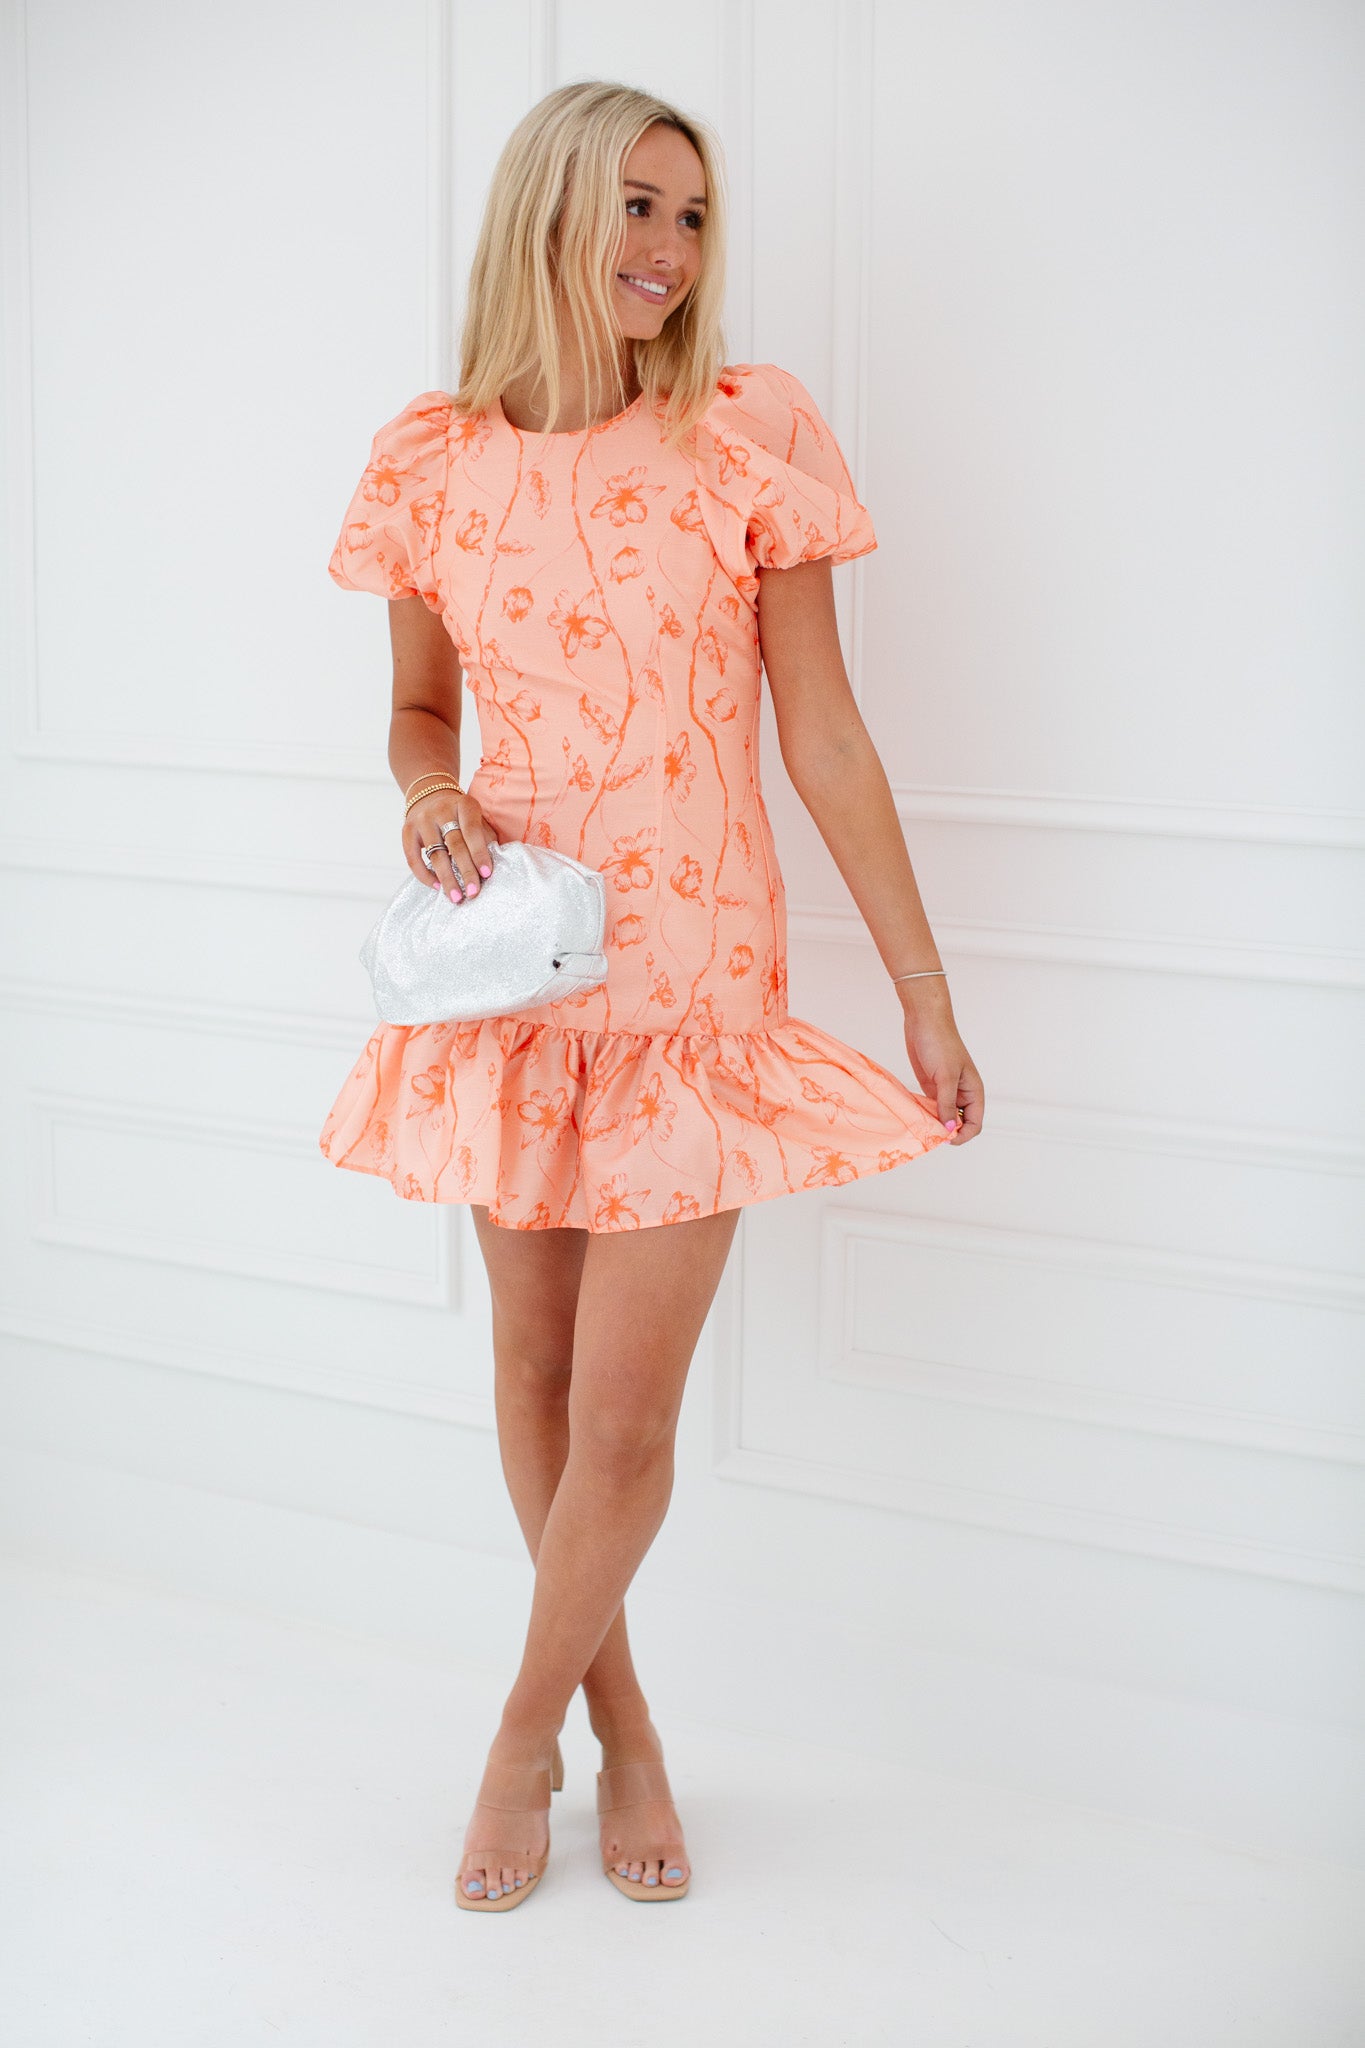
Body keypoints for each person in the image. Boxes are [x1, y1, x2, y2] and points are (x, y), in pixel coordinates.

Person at [320, 79, 983, 1912]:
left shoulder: (746, 432)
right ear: (549, 209)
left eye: (691, 215)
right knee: (532, 1379)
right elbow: (417, 710)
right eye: (635, 204)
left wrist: (922, 990)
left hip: (693, 993)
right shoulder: (429, 459)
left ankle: (515, 1734)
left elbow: (822, 733)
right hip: (516, 982)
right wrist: (429, 794)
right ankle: (621, 1728)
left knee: (622, 1422)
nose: (669, 248)